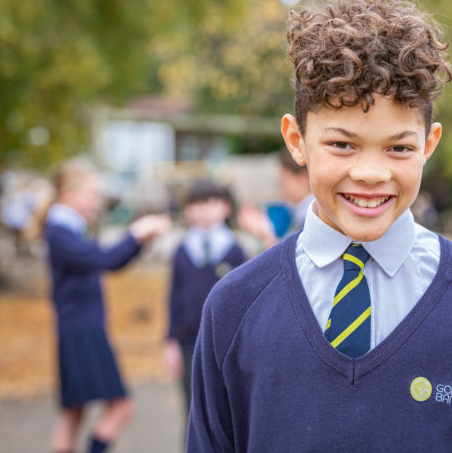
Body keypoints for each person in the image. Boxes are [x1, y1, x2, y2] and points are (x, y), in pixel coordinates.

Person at [187, 0, 452, 452]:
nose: (371, 174)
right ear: (297, 140)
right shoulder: (234, 307)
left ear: (429, 145)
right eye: (343, 145)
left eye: (399, 147)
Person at [42, 159, 170, 453]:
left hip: (76, 328)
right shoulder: (60, 232)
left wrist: (140, 240)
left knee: (73, 413)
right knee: (121, 408)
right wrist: (137, 232)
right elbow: (105, 260)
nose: (96, 203)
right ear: (68, 194)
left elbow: (109, 261)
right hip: (82, 330)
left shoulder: (65, 229)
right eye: (91, 194)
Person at [163, 179, 246, 435]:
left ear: (225, 207)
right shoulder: (182, 251)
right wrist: (170, 340)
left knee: (230, 410)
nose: (202, 211)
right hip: (190, 342)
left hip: (227, 344)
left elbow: (244, 301)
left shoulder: (234, 251)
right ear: (187, 211)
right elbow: (173, 297)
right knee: (193, 412)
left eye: (209, 203)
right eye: (195, 205)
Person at [237, 149, 314, 250]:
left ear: (303, 178)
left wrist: (266, 234)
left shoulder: (311, 217)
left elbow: (298, 261)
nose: (282, 189)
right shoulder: (300, 213)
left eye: (284, 181)